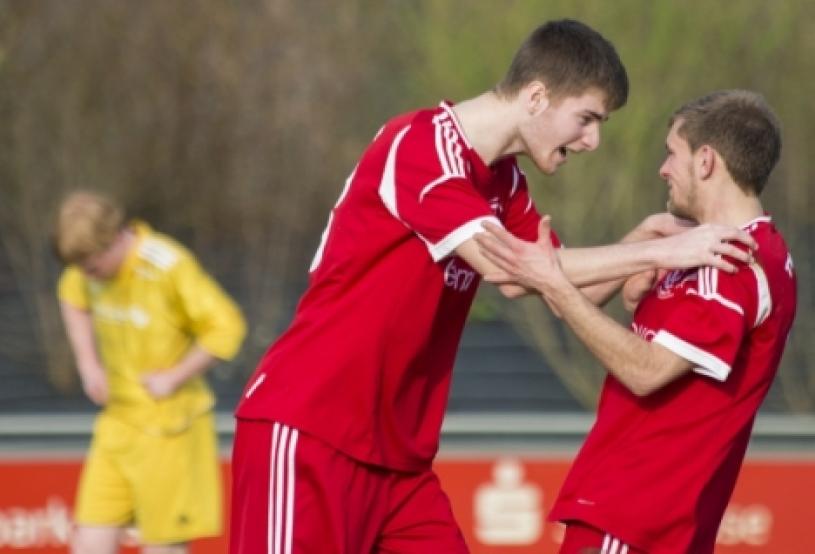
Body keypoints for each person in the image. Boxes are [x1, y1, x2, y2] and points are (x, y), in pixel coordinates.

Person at [231, 20, 757, 554]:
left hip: (398, 461)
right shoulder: (419, 145)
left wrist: (637, 241)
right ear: (536, 97)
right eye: (587, 118)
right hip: (309, 431)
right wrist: (659, 252)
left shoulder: (504, 182)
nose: (592, 140)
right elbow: (509, 266)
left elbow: (548, 281)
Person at [476, 89, 797, 553]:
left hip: (636, 517)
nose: (664, 169)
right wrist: (640, 248)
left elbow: (647, 371)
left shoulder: (730, 262)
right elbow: (580, 300)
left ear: (706, 161)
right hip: (644, 518)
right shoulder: (724, 249)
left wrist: (553, 281)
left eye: (672, 153)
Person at [54, 191, 247, 554]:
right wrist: (88, 364)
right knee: (88, 542)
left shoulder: (167, 265)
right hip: (118, 424)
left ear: (113, 240)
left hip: (170, 428)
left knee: (163, 548)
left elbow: (227, 327)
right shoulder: (86, 269)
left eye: (92, 268)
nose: (86, 277)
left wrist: (175, 375)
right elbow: (71, 295)